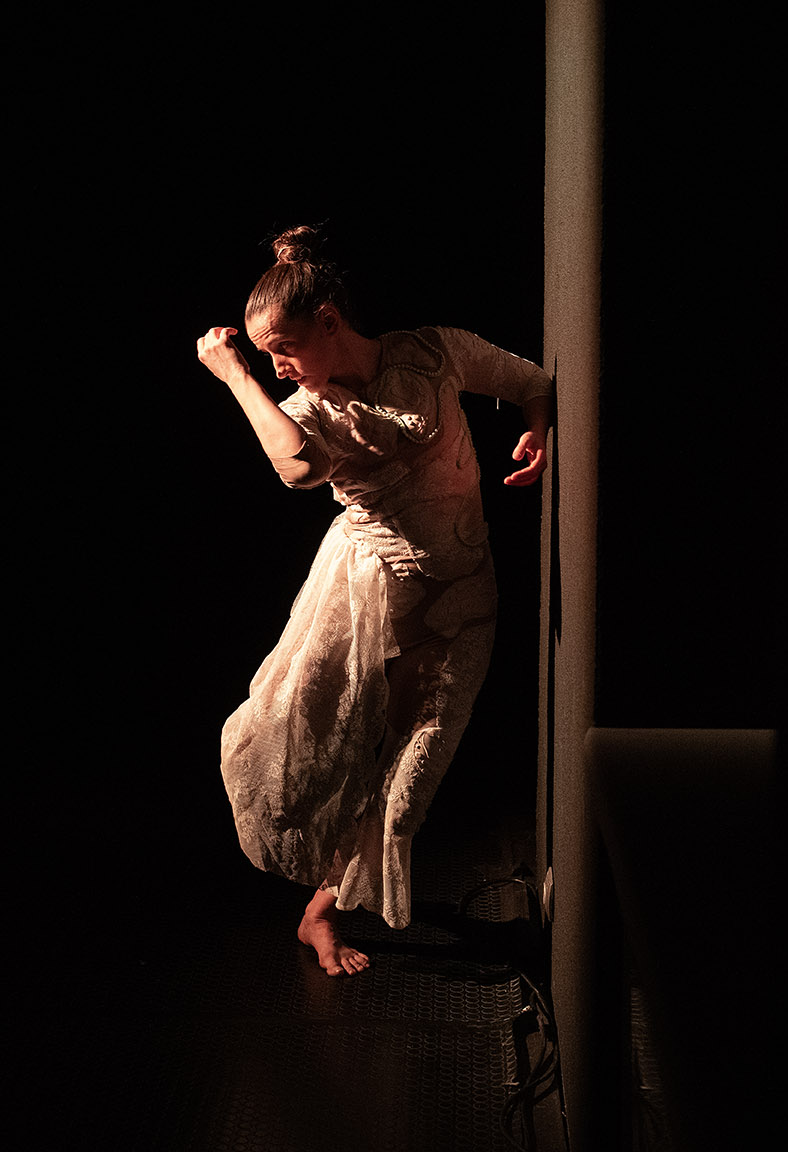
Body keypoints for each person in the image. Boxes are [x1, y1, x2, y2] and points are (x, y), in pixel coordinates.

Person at [197, 225, 552, 977]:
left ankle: (320, 910)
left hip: (462, 597)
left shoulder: (431, 352)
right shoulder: (306, 410)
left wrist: (537, 431)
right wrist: (236, 378)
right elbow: (297, 471)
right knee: (323, 746)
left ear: (329, 320)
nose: (277, 366)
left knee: (409, 780)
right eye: (264, 356)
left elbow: (529, 381)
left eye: (283, 348)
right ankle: (319, 913)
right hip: (366, 596)